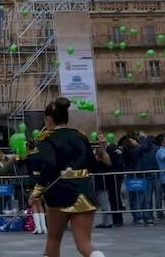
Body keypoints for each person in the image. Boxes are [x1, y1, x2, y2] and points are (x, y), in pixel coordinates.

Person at [28, 98, 106, 257]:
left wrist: (37, 191)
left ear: (49, 119)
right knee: (84, 243)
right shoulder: (80, 136)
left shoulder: (46, 138)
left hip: (60, 193)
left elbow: (49, 164)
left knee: (54, 239)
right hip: (84, 191)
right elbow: (92, 164)